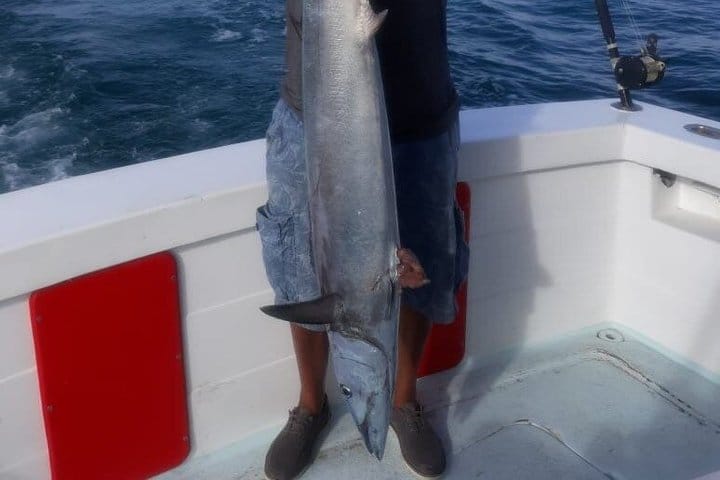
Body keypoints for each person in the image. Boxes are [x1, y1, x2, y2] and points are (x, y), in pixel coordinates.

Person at [255, 0, 468, 478]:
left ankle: (403, 400)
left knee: (425, 260)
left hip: (419, 112)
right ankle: (311, 405)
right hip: (312, 112)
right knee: (299, 269)